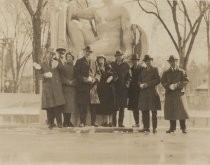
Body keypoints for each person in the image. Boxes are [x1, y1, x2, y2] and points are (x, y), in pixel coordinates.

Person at [34, 48, 65, 129]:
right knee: (49, 106)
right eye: (50, 54)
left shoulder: (56, 62)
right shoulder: (42, 64)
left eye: (52, 54)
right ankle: (50, 123)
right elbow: (38, 76)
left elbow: (63, 70)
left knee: (58, 106)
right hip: (47, 88)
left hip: (56, 87)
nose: (51, 55)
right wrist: (44, 75)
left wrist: (58, 60)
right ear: (46, 54)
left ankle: (59, 123)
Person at [161, 55, 189, 134]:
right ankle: (172, 128)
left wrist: (176, 85)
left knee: (181, 111)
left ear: (176, 62)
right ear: (169, 62)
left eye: (174, 61)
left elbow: (186, 81)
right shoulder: (166, 72)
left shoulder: (181, 71)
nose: (172, 63)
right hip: (170, 93)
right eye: (171, 61)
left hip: (179, 94)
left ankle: (183, 128)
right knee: (171, 111)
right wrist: (169, 86)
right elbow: (162, 82)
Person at [74, 46, 101, 127]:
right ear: (84, 52)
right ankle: (82, 122)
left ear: (91, 53)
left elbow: (98, 73)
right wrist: (84, 79)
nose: (88, 53)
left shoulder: (94, 61)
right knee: (83, 105)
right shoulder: (79, 61)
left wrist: (95, 79)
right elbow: (76, 74)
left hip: (92, 87)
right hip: (83, 87)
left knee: (93, 106)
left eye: (89, 52)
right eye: (86, 51)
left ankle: (93, 122)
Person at [138, 55, 161, 134]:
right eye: (146, 61)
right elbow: (139, 80)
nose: (147, 62)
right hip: (144, 93)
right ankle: (146, 127)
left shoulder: (155, 69)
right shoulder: (143, 71)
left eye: (149, 61)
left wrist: (147, 84)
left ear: (151, 61)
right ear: (145, 62)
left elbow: (158, 80)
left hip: (152, 93)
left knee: (153, 111)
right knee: (145, 111)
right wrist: (140, 84)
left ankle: (154, 128)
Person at [111, 50, 132, 127]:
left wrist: (127, 84)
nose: (119, 57)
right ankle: (113, 123)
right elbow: (109, 74)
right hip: (114, 89)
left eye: (120, 55)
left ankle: (120, 123)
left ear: (122, 56)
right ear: (115, 57)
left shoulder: (126, 65)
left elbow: (129, 77)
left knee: (122, 107)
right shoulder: (112, 65)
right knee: (114, 106)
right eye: (117, 56)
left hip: (123, 89)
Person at [96, 55, 117, 127]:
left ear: (104, 60)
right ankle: (104, 121)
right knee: (102, 105)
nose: (101, 60)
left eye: (102, 59)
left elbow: (115, 75)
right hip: (101, 89)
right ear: (98, 60)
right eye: (99, 59)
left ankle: (110, 122)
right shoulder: (97, 68)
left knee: (110, 105)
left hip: (109, 89)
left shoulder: (109, 67)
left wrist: (111, 77)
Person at [59, 51, 77, 127]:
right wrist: (67, 82)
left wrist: (72, 82)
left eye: (70, 57)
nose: (69, 58)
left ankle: (68, 121)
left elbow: (77, 77)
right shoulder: (63, 66)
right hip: (65, 88)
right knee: (65, 105)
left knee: (71, 105)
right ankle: (65, 121)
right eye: (68, 57)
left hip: (72, 89)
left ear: (73, 58)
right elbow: (61, 77)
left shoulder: (75, 67)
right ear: (66, 58)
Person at [128, 54, 143, 127]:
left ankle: (144, 123)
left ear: (138, 61)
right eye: (133, 61)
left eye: (136, 60)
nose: (134, 62)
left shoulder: (142, 68)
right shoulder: (130, 69)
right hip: (133, 91)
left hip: (140, 91)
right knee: (134, 108)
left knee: (143, 107)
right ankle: (137, 123)